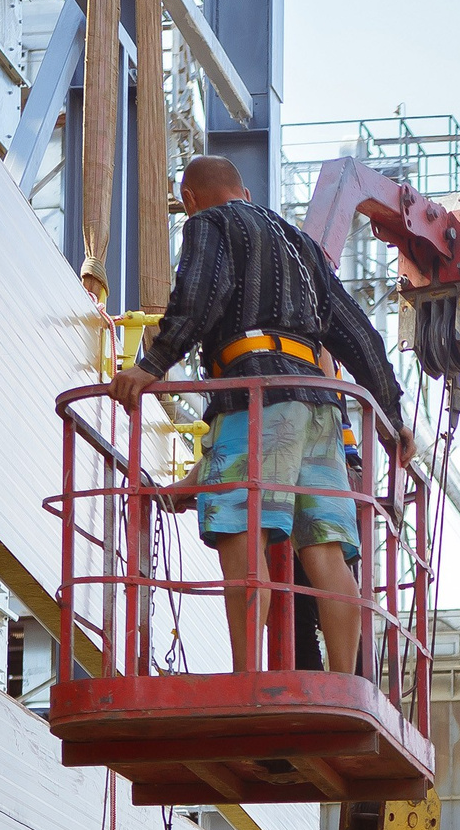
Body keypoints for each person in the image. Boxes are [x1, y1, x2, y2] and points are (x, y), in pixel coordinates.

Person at [110, 155, 402, 674]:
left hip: (256, 393)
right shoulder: (303, 247)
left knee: (244, 537)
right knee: (326, 549)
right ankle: (343, 682)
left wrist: (150, 366)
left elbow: (198, 298)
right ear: (243, 191)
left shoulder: (209, 223)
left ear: (193, 199)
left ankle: (247, 675)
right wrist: (393, 416)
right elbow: (359, 334)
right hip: (320, 408)